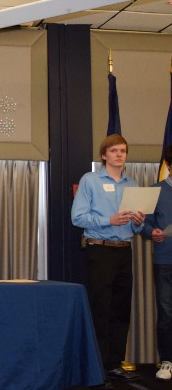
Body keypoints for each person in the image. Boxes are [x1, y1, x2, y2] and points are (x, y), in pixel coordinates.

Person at [71, 134, 145, 386]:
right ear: (104, 155)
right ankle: (97, 367)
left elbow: (138, 227)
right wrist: (108, 220)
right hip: (100, 250)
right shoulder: (90, 180)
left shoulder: (132, 184)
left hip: (124, 250)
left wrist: (138, 222)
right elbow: (78, 217)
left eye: (123, 151)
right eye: (114, 151)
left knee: (121, 310)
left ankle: (115, 364)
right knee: (100, 309)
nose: (119, 155)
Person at [140, 145, 172, 381]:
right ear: (169, 166)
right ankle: (167, 361)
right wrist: (153, 233)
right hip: (165, 261)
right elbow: (143, 225)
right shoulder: (154, 191)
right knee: (166, 314)